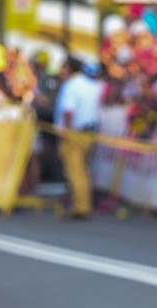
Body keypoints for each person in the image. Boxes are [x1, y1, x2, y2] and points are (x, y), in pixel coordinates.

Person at [54, 56, 103, 219]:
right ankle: (83, 204)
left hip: (74, 132)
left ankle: (80, 207)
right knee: (83, 170)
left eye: (63, 67)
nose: (60, 71)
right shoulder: (91, 85)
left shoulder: (70, 86)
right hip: (90, 132)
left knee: (75, 171)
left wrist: (66, 132)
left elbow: (69, 110)